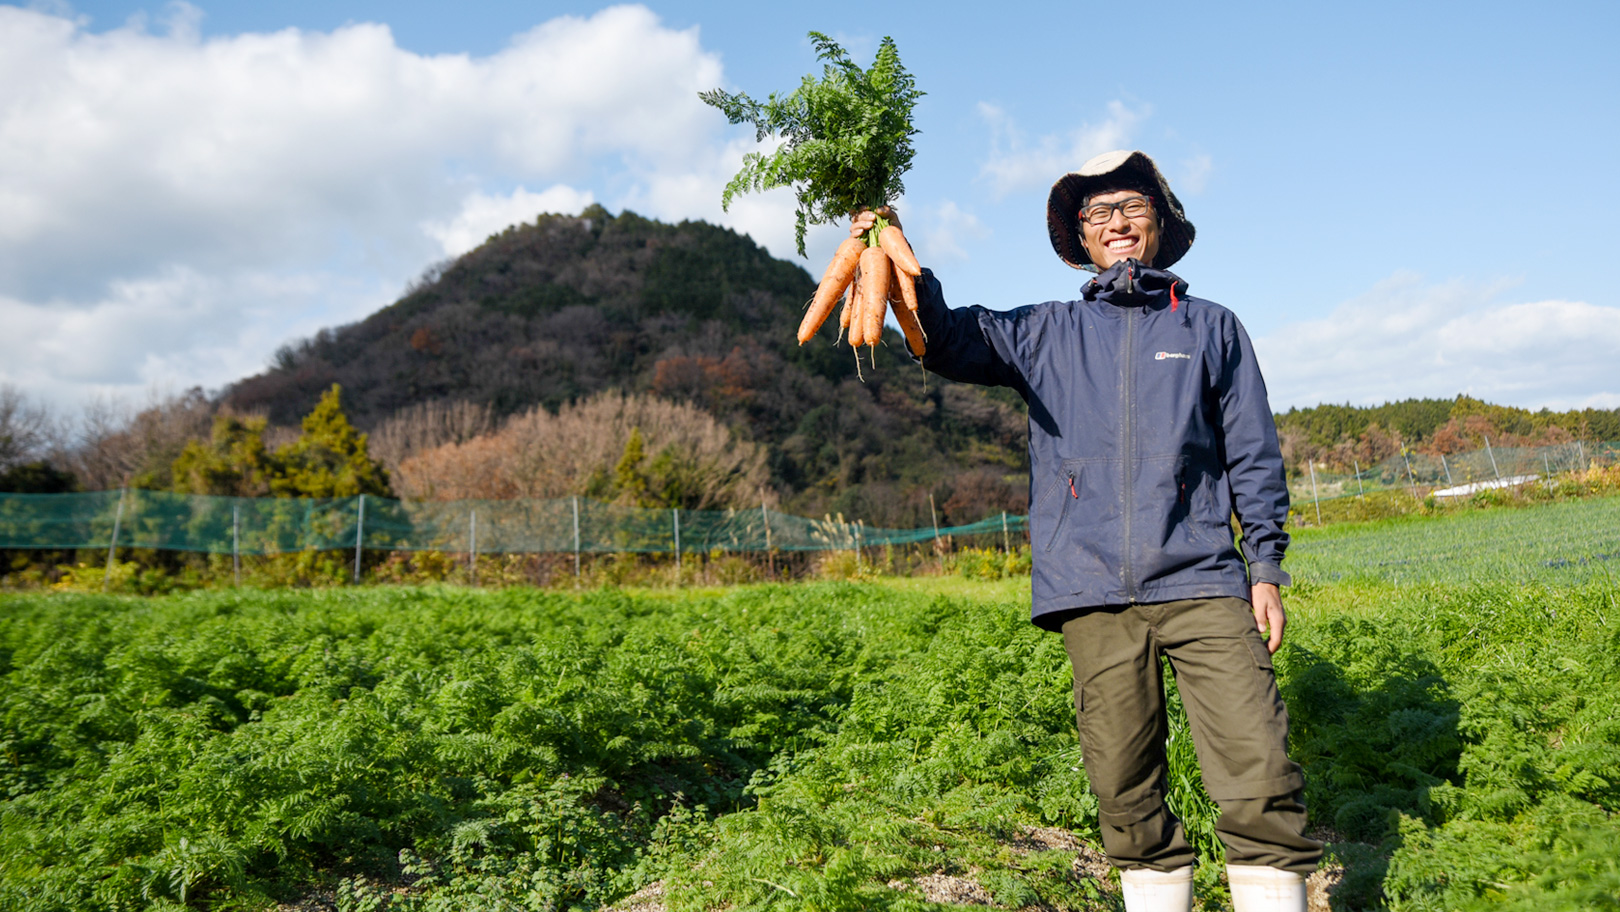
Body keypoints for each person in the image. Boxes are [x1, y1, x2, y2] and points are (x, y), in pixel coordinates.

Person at [850, 150, 1320, 912]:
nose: (1117, 223)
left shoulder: (1211, 329)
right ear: (1080, 237)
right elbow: (938, 339)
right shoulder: (1044, 333)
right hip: (1091, 589)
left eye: (1131, 207)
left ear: (1159, 223)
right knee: (1124, 789)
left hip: (1202, 579)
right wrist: (890, 249)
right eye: (1098, 213)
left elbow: (1254, 456)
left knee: (1259, 769)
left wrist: (1264, 568)